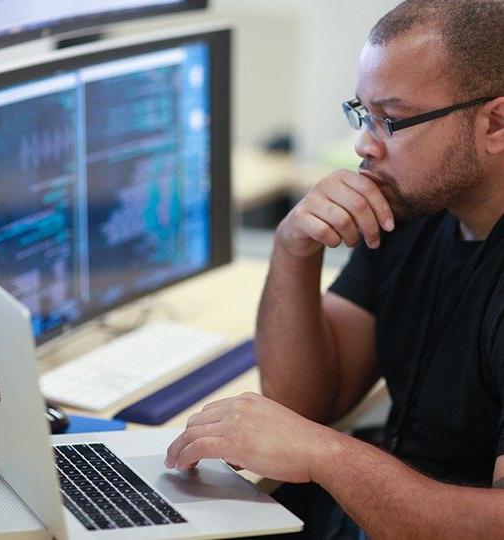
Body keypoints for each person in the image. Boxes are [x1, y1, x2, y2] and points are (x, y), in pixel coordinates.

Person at [166, 0, 504, 537]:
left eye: (390, 120)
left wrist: (325, 455)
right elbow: (307, 399)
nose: (363, 144)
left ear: (495, 124)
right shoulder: (412, 206)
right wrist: (294, 248)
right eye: (362, 113)